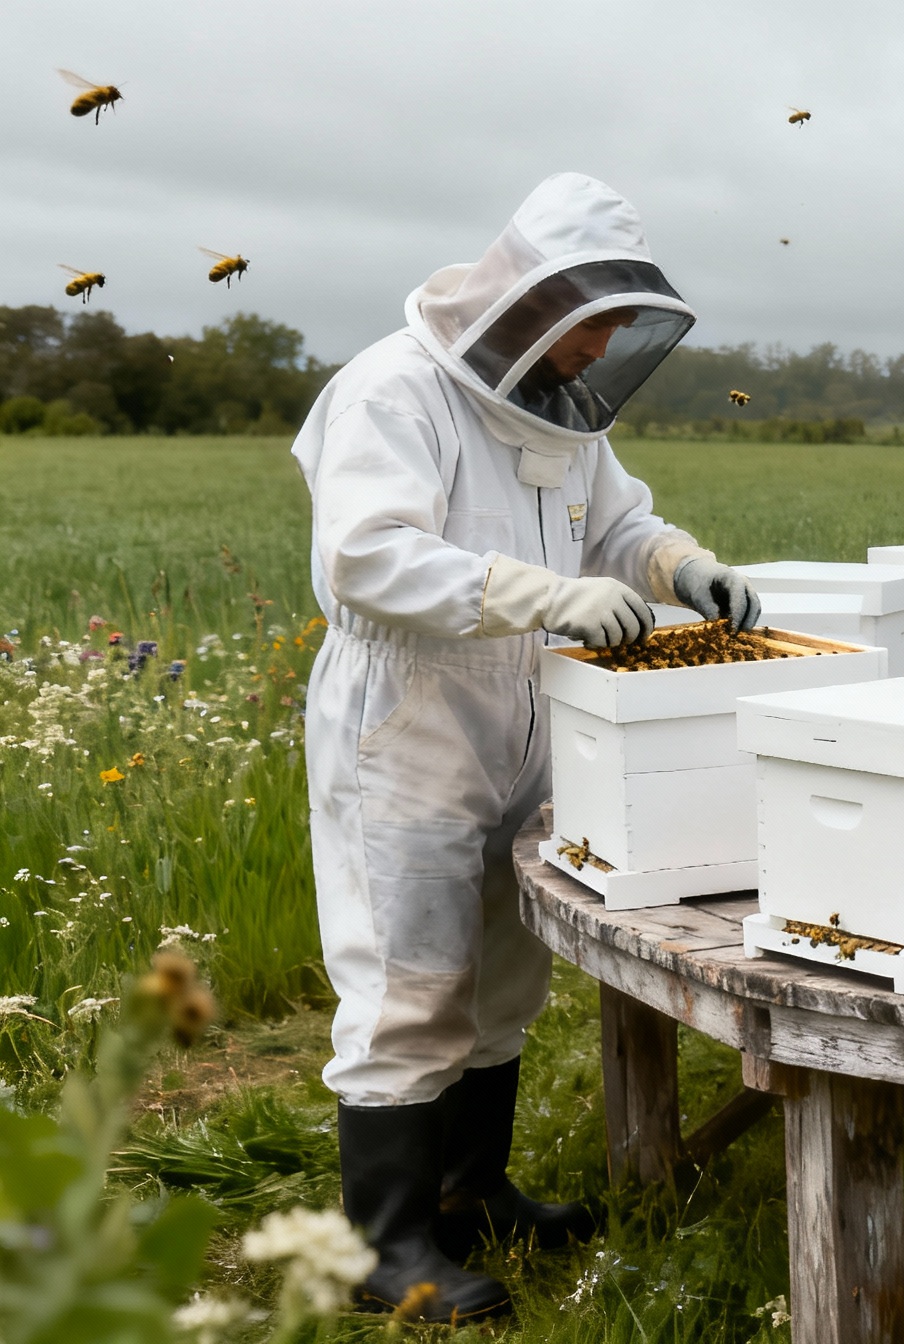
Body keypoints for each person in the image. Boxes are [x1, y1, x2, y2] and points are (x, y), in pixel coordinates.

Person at [293, 172, 763, 1320]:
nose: (602, 343)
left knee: (506, 967)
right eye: (589, 320)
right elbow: (362, 557)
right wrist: (533, 592)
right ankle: (386, 1250)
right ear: (529, 300)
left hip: (527, 704)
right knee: (407, 974)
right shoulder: (393, 392)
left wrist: (677, 567)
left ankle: (472, 1191)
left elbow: (619, 524)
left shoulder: (560, 403)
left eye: (613, 322)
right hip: (408, 712)